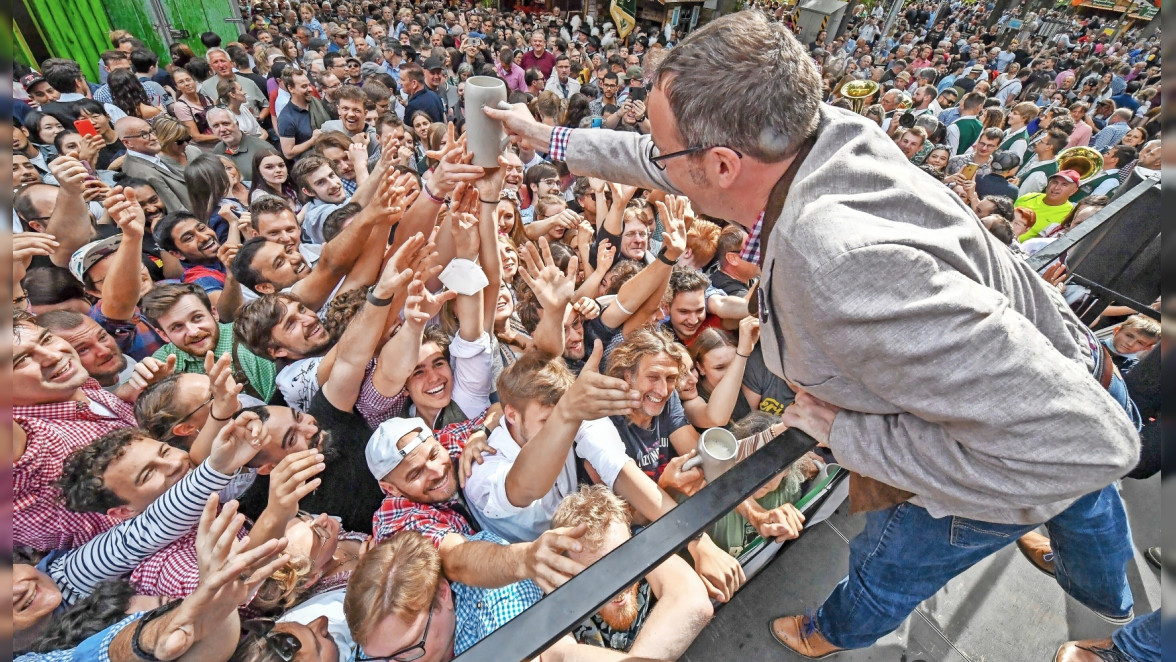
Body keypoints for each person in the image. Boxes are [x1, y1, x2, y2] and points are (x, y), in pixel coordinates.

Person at [483, 11, 1139, 655]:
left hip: (1018, 446)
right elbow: (666, 163)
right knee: (1084, 508)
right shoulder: (816, 136)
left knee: (893, 561)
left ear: (720, 164)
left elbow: (1091, 447)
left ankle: (833, 633)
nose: (655, 158)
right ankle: (1111, 597)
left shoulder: (836, 266)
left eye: (665, 146)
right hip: (1067, 370)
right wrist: (544, 137)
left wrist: (850, 434)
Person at [553, 485, 713, 657]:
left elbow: (693, 599)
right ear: (567, 573)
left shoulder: (641, 547)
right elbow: (560, 655)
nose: (618, 584)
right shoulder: (555, 598)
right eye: (597, 574)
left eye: (624, 561)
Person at [140, 283, 277, 402]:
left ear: (214, 313)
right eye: (177, 327)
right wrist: (155, 386)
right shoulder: (168, 357)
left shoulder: (247, 339)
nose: (193, 332)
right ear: (163, 334)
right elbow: (124, 393)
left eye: (197, 318)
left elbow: (277, 406)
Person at [116, 117, 191, 213]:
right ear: (127, 143)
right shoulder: (143, 173)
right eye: (144, 135)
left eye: (151, 131)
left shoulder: (147, 156)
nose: (154, 137)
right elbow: (176, 210)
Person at [206, 106, 272, 182]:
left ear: (237, 124)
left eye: (226, 123)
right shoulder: (217, 152)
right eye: (216, 126)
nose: (222, 129)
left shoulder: (262, 148)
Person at [1014, 169, 1081, 241]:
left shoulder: (1069, 216)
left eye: (1064, 184)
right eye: (1055, 182)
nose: (1056, 188)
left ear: (1073, 191)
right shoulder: (1029, 197)